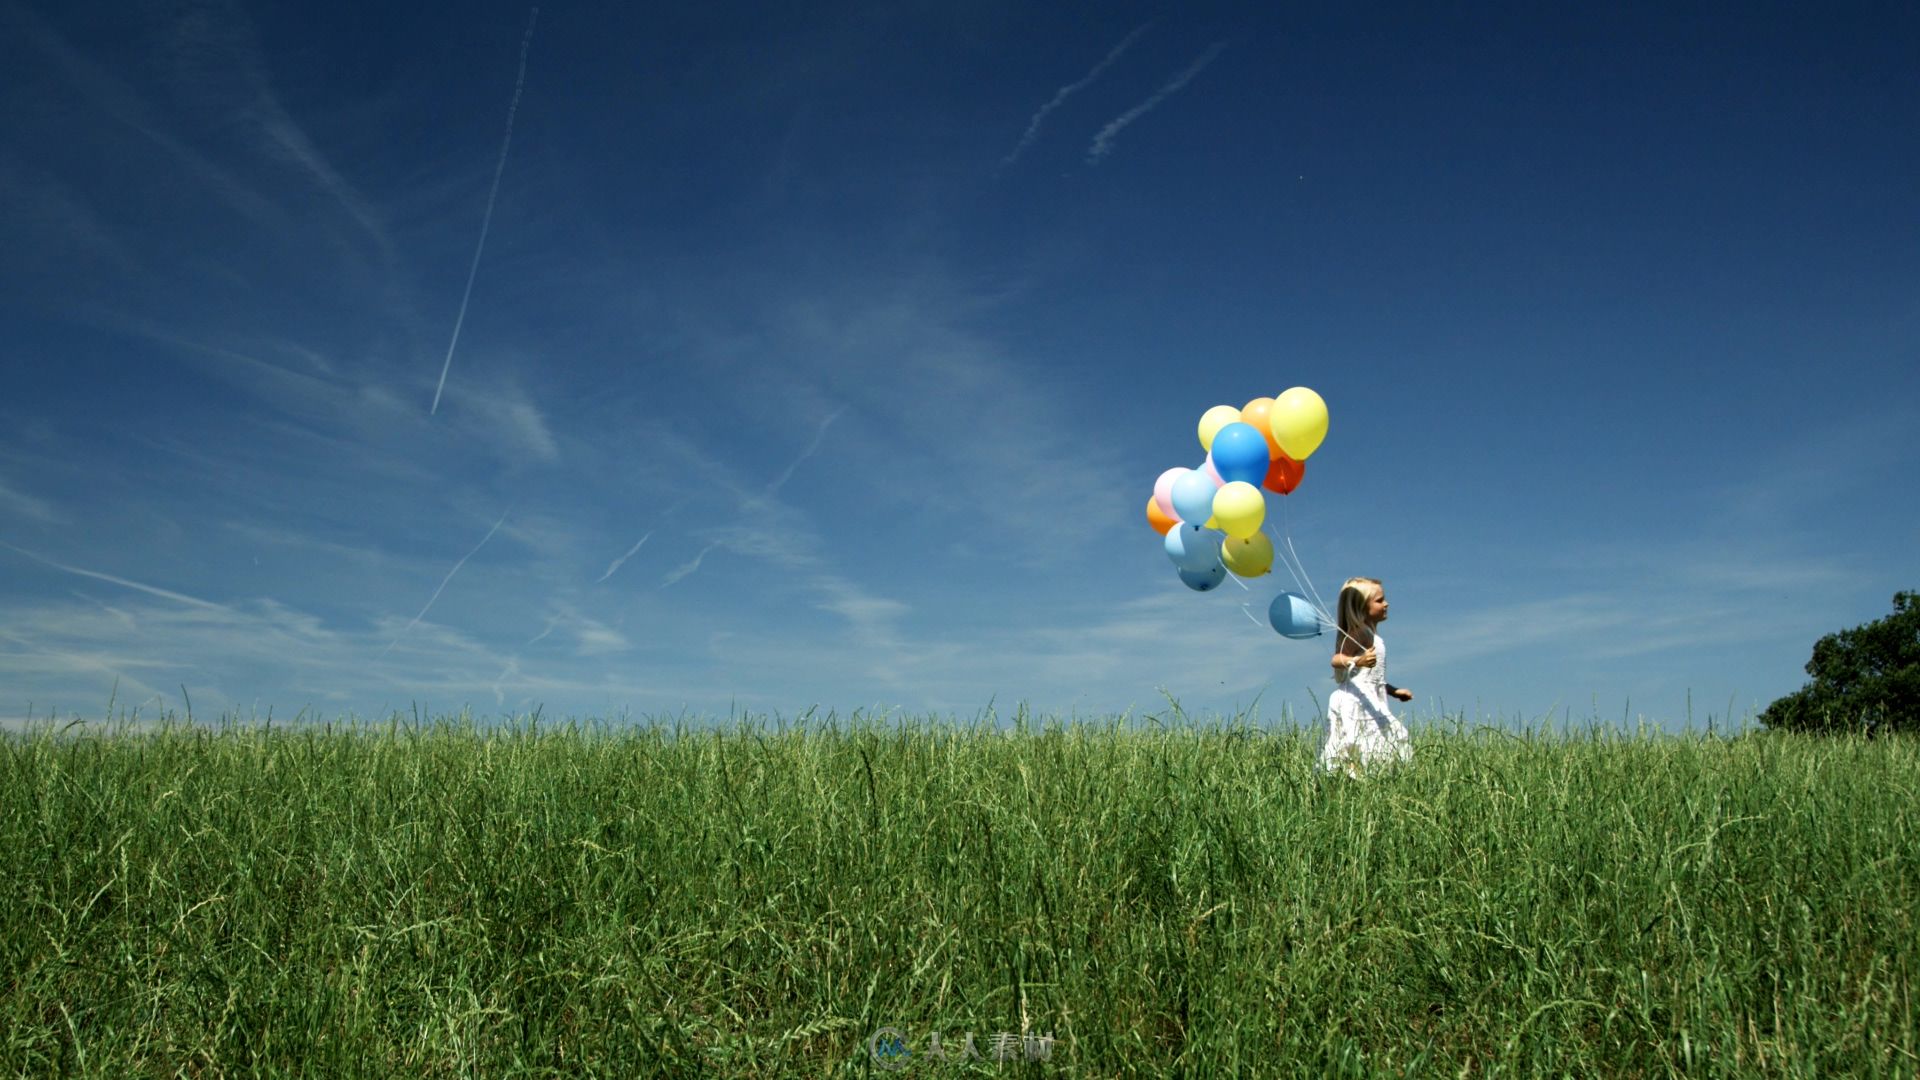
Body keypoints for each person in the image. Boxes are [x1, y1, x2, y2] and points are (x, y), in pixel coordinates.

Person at [1319, 577, 1413, 776]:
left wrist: (1395, 691)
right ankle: (1355, 780)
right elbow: (1336, 659)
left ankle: (1366, 780)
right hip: (1356, 700)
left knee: (1377, 740)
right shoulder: (1360, 632)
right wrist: (1357, 660)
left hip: (1369, 697)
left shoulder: (1373, 635)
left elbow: (1373, 678)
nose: (1385, 604)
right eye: (1379, 600)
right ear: (1361, 607)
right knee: (1361, 741)